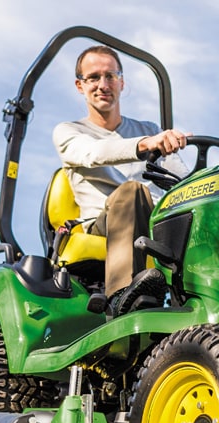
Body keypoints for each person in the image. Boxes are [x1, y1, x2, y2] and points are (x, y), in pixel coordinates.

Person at [53, 45, 191, 316]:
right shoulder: (69, 131)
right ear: (80, 86)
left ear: (121, 82)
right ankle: (121, 297)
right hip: (101, 225)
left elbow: (182, 178)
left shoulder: (148, 128)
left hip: (154, 221)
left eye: (110, 76)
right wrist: (145, 144)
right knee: (132, 191)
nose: (102, 84)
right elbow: (93, 153)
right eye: (93, 77)